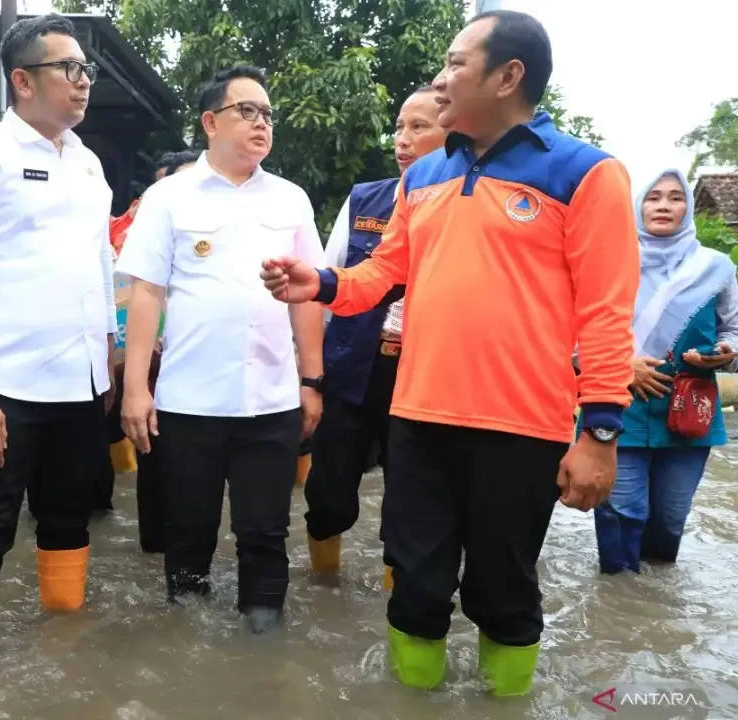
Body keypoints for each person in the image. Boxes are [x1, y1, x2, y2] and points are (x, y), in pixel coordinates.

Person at [260, 10, 639, 696]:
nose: (440, 79)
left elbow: (607, 314)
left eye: (456, 63)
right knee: (416, 588)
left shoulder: (587, 173)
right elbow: (383, 273)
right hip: (420, 418)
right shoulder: (424, 176)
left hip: (523, 429)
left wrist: (602, 433)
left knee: (504, 591)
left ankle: (505, 703)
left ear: (507, 77)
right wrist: (318, 282)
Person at [0, 14, 116, 683]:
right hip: (2, 390)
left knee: (68, 520)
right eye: (71, 68)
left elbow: (99, 271)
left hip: (80, 387)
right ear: (23, 80)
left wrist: (111, 361)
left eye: (87, 70)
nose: (84, 81)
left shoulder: (89, 165)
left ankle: (64, 654)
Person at [117, 64, 326, 635]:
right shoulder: (168, 197)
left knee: (265, 532)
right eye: (247, 112)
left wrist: (312, 381)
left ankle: (261, 652)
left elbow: (309, 296)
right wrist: (136, 388)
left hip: (271, 401)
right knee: (188, 529)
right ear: (210, 122)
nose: (262, 124)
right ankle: (187, 646)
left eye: (267, 115)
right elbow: (146, 293)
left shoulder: (290, 200)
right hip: (189, 405)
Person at [305, 84, 448, 583]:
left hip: (424, 380)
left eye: (418, 127)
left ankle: (398, 598)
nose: (402, 139)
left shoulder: (465, 202)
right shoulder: (365, 198)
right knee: (327, 493)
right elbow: (330, 276)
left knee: (410, 502)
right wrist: (313, 378)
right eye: (399, 127)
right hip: (352, 371)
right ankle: (324, 588)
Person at [591, 170, 738, 574]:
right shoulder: (608, 262)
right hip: (619, 407)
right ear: (637, 206)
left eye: (675, 198)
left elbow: (733, 330)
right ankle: (620, 606)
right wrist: (621, 364)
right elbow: (575, 330)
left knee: (670, 520)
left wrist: (724, 354)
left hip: (690, 411)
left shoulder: (716, 267)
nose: (663, 206)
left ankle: (654, 607)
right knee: (621, 514)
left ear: (687, 208)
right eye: (653, 197)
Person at [103, 150, 199, 553]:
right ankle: (158, 545)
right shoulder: (136, 232)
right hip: (150, 364)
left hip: (204, 367)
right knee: (154, 454)